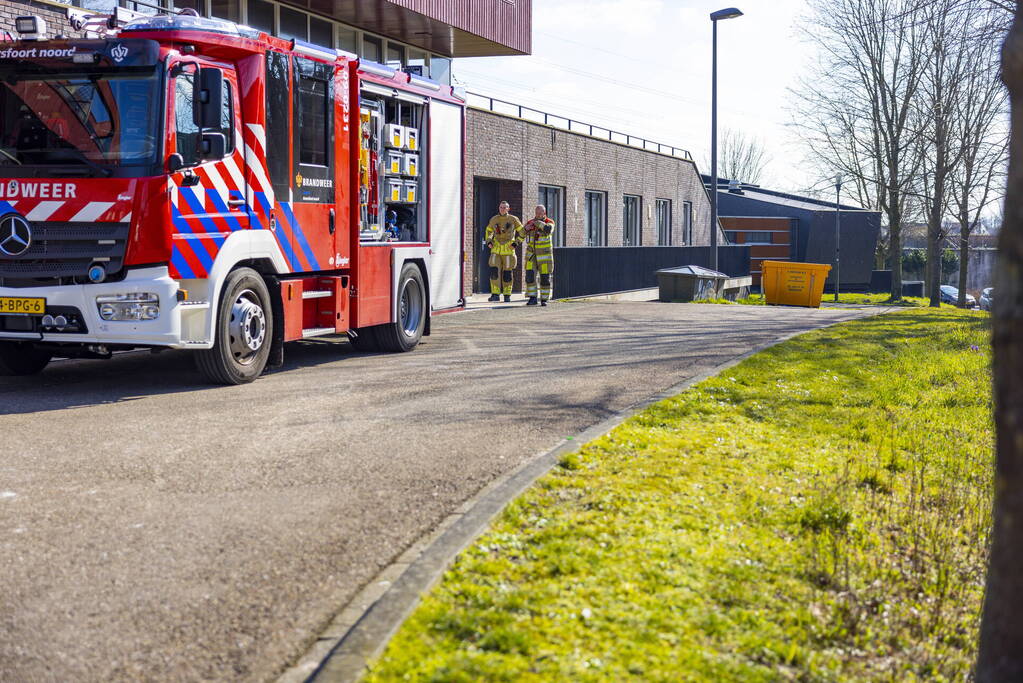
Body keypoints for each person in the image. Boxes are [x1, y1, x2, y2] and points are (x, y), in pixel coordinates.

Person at [484, 201, 523, 302]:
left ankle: (507, 295)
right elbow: (488, 231)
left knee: (507, 274)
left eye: (504, 207)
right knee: (494, 272)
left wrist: (516, 243)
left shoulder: (513, 219)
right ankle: (495, 295)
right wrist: (489, 241)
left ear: (508, 209)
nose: (502, 209)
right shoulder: (494, 219)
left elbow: (522, 232)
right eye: (501, 207)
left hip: (509, 251)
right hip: (495, 250)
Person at [523, 204, 555, 306]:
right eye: (536, 213)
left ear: (544, 213)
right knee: (530, 276)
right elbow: (520, 234)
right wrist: (525, 228)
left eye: (540, 213)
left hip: (544, 257)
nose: (538, 215)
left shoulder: (549, 222)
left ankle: (544, 299)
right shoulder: (530, 222)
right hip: (531, 255)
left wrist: (537, 223)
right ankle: (532, 298)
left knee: (545, 278)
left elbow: (548, 230)